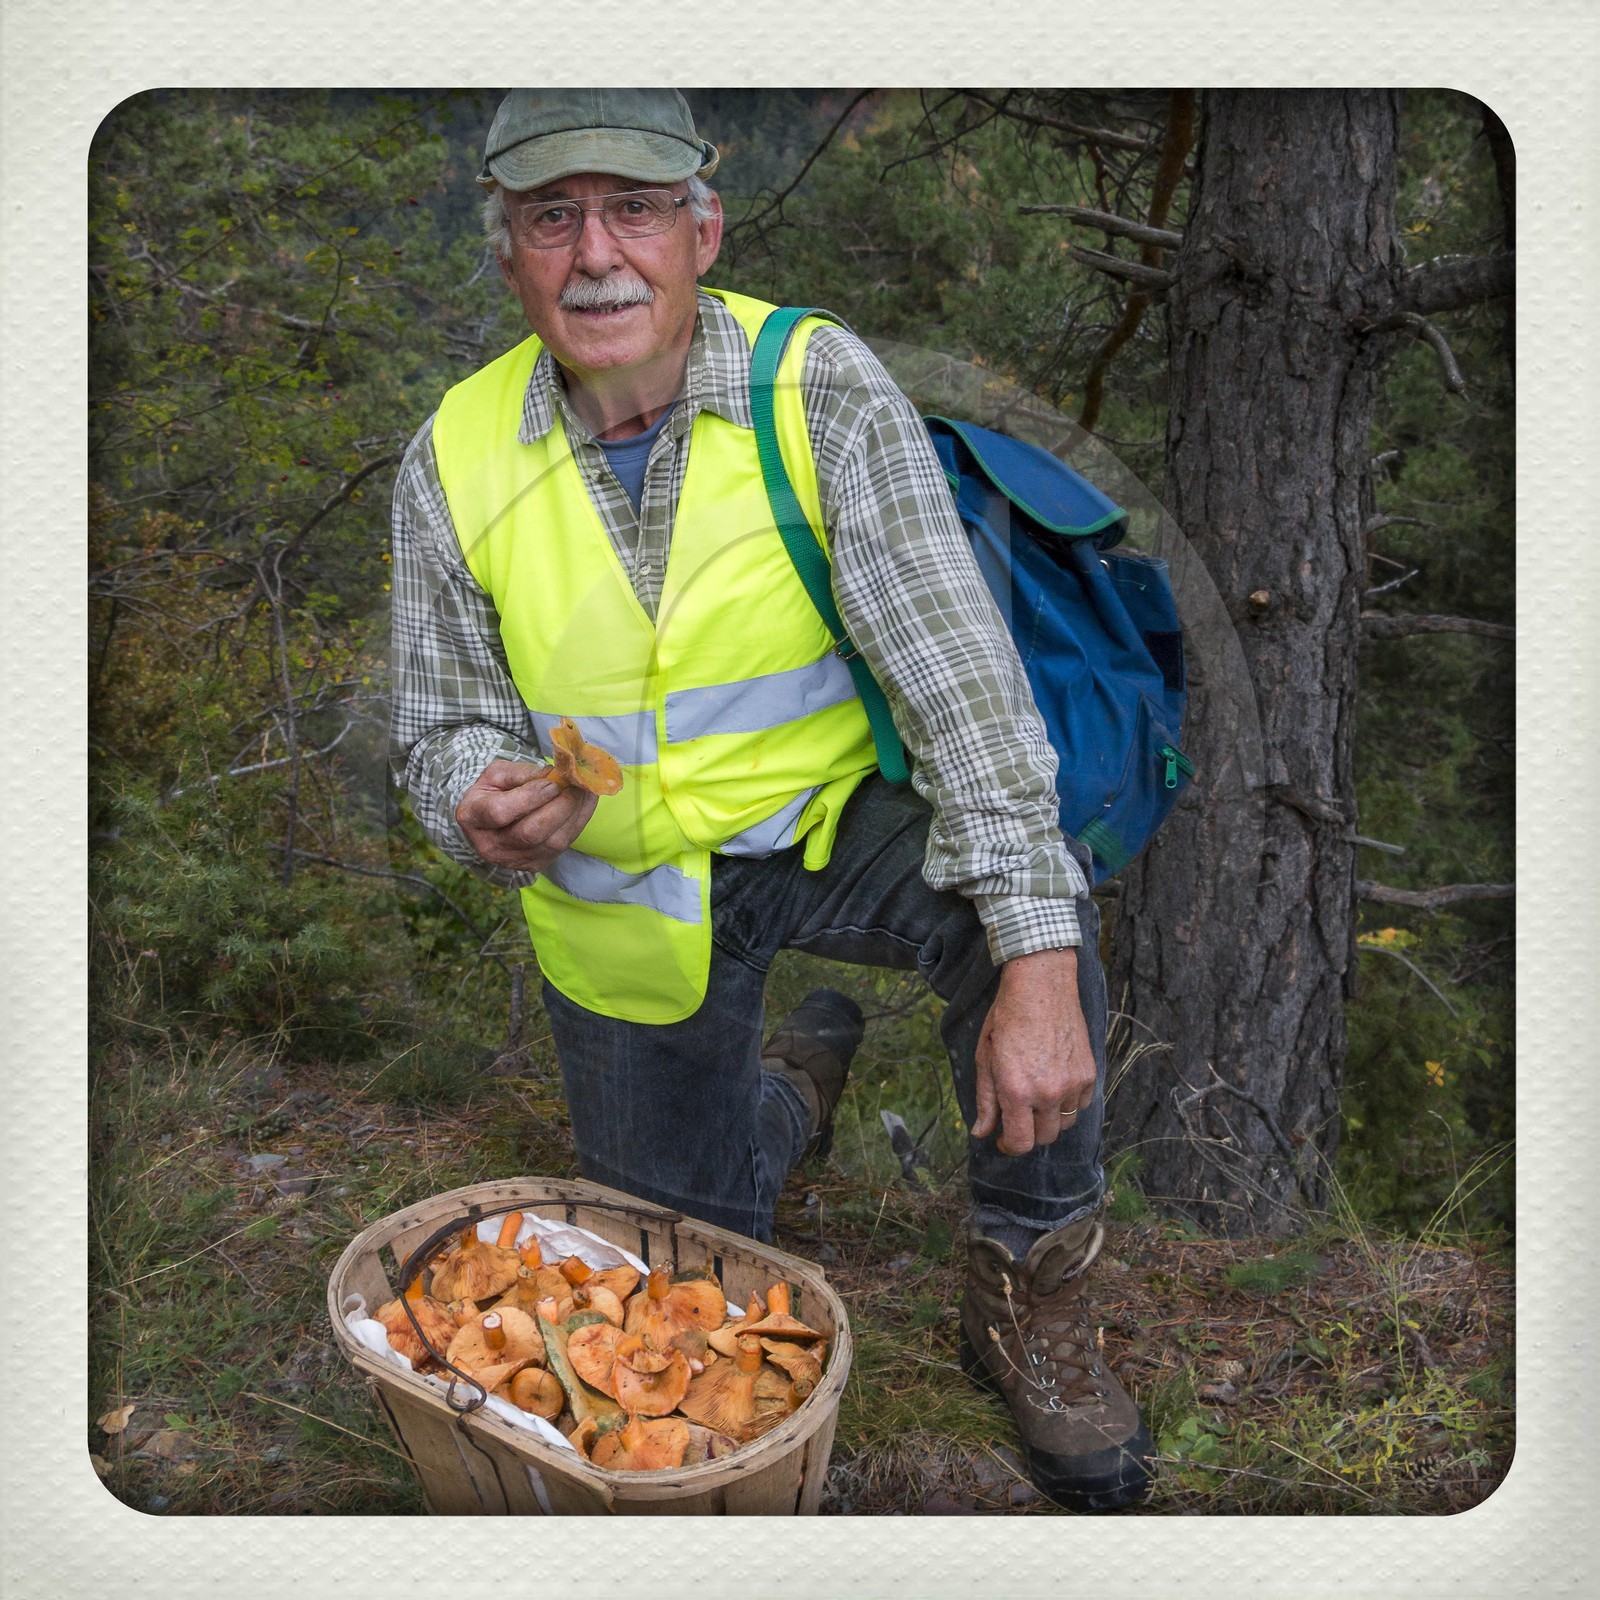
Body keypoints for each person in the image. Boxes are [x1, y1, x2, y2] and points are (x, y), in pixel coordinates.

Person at [390, 88, 1154, 1511]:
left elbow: (967, 694)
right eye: (554, 218)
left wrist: (1042, 970)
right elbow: (442, 722)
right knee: (692, 1272)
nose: (597, 253)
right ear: (508, 256)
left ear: (702, 228)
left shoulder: (818, 386)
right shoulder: (454, 451)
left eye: (636, 209)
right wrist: (471, 799)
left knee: (1021, 923)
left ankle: (1033, 1288)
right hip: (624, 887)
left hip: (828, 825)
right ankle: (792, 1092)